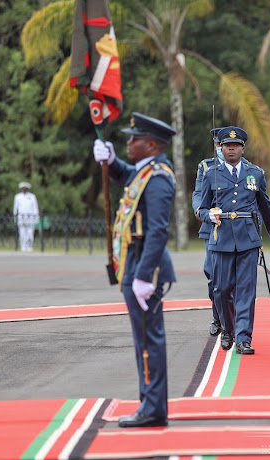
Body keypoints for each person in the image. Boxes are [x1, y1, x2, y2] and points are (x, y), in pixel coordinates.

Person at [92, 112, 177, 428]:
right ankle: (150, 403)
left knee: (148, 340)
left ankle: (153, 408)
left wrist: (143, 276)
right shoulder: (146, 172)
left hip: (144, 269)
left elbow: (158, 231)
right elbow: (127, 176)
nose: (128, 143)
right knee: (144, 339)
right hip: (135, 264)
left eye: (134, 139)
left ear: (151, 144)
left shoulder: (158, 178)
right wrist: (112, 161)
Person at [198, 126, 270, 355]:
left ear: (243, 149)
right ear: (221, 148)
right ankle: (228, 327)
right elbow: (202, 207)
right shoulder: (210, 173)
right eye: (227, 146)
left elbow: (266, 208)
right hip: (221, 237)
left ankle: (244, 337)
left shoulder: (255, 173)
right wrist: (209, 215)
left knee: (246, 290)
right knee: (222, 289)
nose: (231, 149)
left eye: (236, 146)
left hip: (248, 239)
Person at [192, 128, 224, 338]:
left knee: (234, 279)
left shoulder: (248, 169)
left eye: (229, 145)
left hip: (237, 228)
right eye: (220, 145)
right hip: (212, 228)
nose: (223, 149)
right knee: (213, 274)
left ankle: (234, 320)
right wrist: (200, 211)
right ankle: (218, 317)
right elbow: (198, 193)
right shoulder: (206, 166)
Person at [13, 182, 39, 252]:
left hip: (30, 217)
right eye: (23, 189)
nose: (24, 190)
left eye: (25, 189)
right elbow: (15, 208)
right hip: (21, 217)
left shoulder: (32, 196)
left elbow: (35, 207)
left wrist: (36, 217)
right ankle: (23, 246)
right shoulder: (17, 197)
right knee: (22, 232)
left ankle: (29, 246)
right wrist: (15, 218)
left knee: (30, 232)